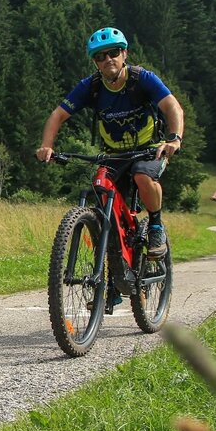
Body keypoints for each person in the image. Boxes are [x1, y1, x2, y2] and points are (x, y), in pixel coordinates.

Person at [35, 26, 184, 258]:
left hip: (148, 150)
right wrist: (47, 146)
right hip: (112, 154)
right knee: (102, 192)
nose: (108, 60)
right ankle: (113, 278)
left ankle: (155, 225)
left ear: (124, 53)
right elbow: (58, 115)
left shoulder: (142, 79)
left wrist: (173, 139)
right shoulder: (91, 86)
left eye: (113, 52)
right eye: (100, 56)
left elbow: (172, 106)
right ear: (95, 61)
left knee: (142, 175)